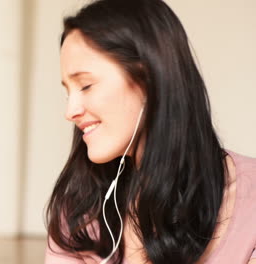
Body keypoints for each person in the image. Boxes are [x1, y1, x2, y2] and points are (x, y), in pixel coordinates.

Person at [43, 0, 256, 263]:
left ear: (149, 80)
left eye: (85, 85)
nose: (70, 111)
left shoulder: (250, 202)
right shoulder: (79, 208)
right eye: (68, 92)